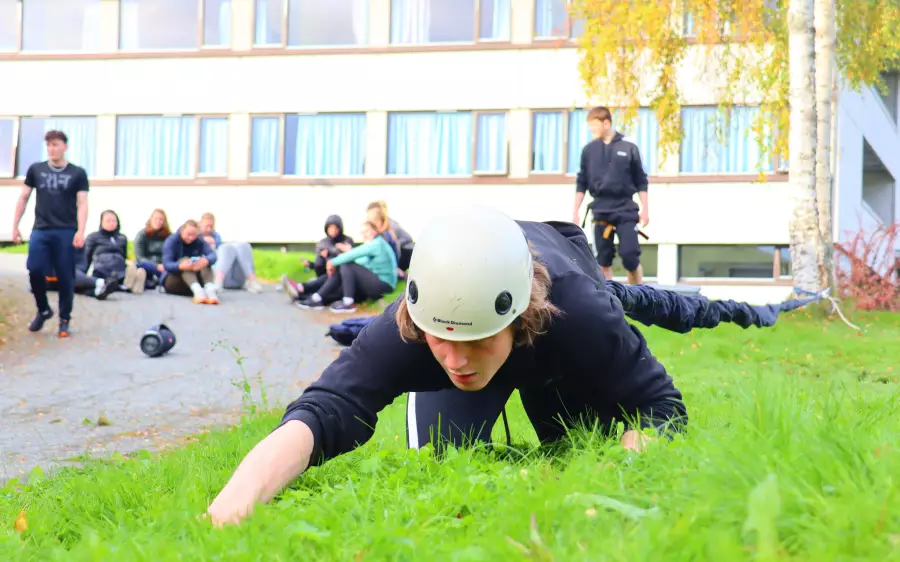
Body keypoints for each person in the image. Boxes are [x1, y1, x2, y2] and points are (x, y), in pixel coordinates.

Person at [205, 205, 687, 527]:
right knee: (444, 460)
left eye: (477, 341)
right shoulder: (411, 325)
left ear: (519, 318)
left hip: (554, 344)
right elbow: (325, 408)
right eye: (442, 340)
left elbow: (661, 405)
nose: (456, 362)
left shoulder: (580, 314)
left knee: (573, 446)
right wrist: (239, 495)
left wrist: (624, 461)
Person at [10, 130, 89, 338]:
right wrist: (15, 225)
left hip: (66, 231)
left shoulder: (77, 173)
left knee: (65, 276)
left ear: (65, 146)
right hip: (41, 229)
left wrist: (81, 231)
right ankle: (43, 309)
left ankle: (64, 320)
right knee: (35, 269)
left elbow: (82, 203)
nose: (51, 149)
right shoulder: (36, 170)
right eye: (48, 145)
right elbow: (24, 197)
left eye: (55, 145)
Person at [573, 107, 649, 285]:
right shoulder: (589, 150)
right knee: (603, 260)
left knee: (630, 257)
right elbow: (581, 182)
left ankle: (639, 296)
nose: (592, 129)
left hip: (625, 209)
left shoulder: (629, 148)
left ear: (606, 123)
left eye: (595, 125)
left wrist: (645, 210)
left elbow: (641, 181)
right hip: (600, 210)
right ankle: (608, 299)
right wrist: (575, 211)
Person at [292, 220, 398, 313]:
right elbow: (360, 261)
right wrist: (344, 255)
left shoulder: (376, 244)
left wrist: (332, 262)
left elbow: (354, 254)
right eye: (362, 233)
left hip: (383, 286)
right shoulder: (377, 243)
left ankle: (347, 302)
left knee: (346, 264)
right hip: (379, 284)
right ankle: (315, 297)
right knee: (341, 274)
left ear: (374, 231)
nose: (364, 235)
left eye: (366, 231)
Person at [84, 210, 146, 295]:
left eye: (114, 221)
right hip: (102, 269)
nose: (111, 223)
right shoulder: (93, 237)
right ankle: (128, 285)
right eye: (108, 221)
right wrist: (83, 275)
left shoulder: (122, 238)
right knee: (114, 277)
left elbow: (124, 255)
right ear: (101, 222)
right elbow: (86, 256)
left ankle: (130, 284)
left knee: (131, 267)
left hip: (120, 268)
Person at [199, 212, 262, 293]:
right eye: (206, 226)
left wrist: (214, 244)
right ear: (200, 225)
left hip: (237, 280)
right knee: (226, 247)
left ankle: (252, 281)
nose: (209, 229)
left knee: (242, 245)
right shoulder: (195, 241)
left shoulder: (217, 239)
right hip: (218, 278)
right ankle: (218, 282)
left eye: (211, 227)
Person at [160, 219, 219, 304]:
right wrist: (180, 266)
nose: (191, 238)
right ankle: (198, 291)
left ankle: (210, 289)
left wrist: (205, 261)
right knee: (185, 261)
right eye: (188, 234)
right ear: (182, 230)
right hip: (174, 281)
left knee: (204, 261)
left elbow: (212, 255)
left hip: (196, 278)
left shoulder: (200, 240)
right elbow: (167, 264)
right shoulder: (171, 241)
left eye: (194, 235)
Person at [366, 200, 415, 274]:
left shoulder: (391, 227)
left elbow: (406, 239)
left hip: (407, 252)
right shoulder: (379, 227)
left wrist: (395, 267)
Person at [134, 208, 171, 290]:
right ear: (150, 219)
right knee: (142, 266)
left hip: (163, 265)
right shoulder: (142, 234)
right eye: (156, 218)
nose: (158, 221)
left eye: (161, 219)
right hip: (146, 263)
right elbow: (139, 257)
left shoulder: (169, 236)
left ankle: (158, 281)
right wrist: (156, 266)